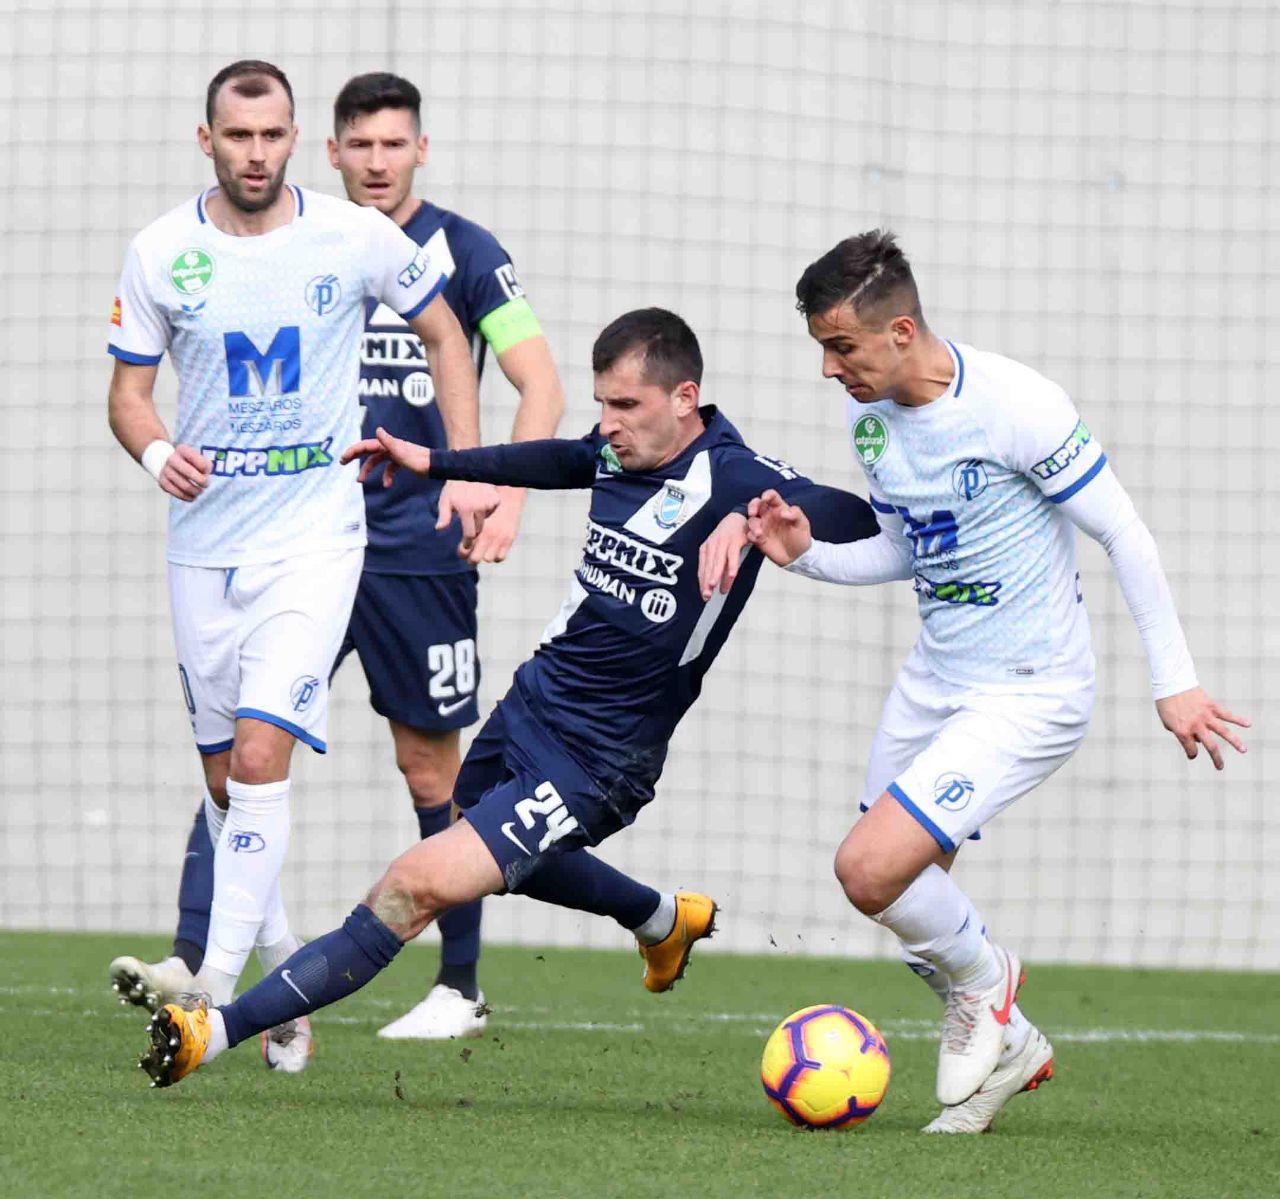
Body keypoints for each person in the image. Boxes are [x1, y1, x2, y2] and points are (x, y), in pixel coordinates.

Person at [134, 307, 879, 1089]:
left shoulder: (738, 476)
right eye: (602, 402)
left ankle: (215, 1029)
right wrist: (435, 461)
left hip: (600, 760)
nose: (608, 423)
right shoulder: (616, 450)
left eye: (626, 405)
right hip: (533, 701)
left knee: (412, 885)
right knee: (471, 826)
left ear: (685, 397)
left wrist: (751, 519)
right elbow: (560, 458)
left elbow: (856, 519)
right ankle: (661, 917)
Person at [710, 230, 1250, 1133]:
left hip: (1030, 691)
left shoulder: (1017, 405)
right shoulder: (871, 421)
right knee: (908, 901)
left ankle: (990, 981)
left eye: (841, 346)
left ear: (901, 330)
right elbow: (908, 548)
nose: (828, 369)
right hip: (936, 681)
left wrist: (1176, 681)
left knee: (867, 868)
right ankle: (1013, 1048)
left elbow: (1124, 532)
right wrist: (805, 554)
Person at [111, 71, 565, 1043]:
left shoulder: (459, 252)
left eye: (393, 144)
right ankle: (223, 958)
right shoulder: (261, 246)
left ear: (419, 150)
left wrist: (489, 482)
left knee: (425, 762)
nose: (376, 161)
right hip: (266, 534)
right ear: (332, 150)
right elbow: (133, 391)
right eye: (359, 144)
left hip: (405, 548)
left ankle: (453, 981)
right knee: (240, 759)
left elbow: (536, 380)